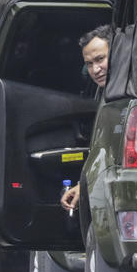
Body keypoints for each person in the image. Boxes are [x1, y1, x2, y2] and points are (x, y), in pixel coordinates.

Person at [60, 25, 112, 210]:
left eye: (100, 59)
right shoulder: (105, 94)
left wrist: (85, 186)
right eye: (89, 64)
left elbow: (111, 156)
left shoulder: (126, 96)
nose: (95, 69)